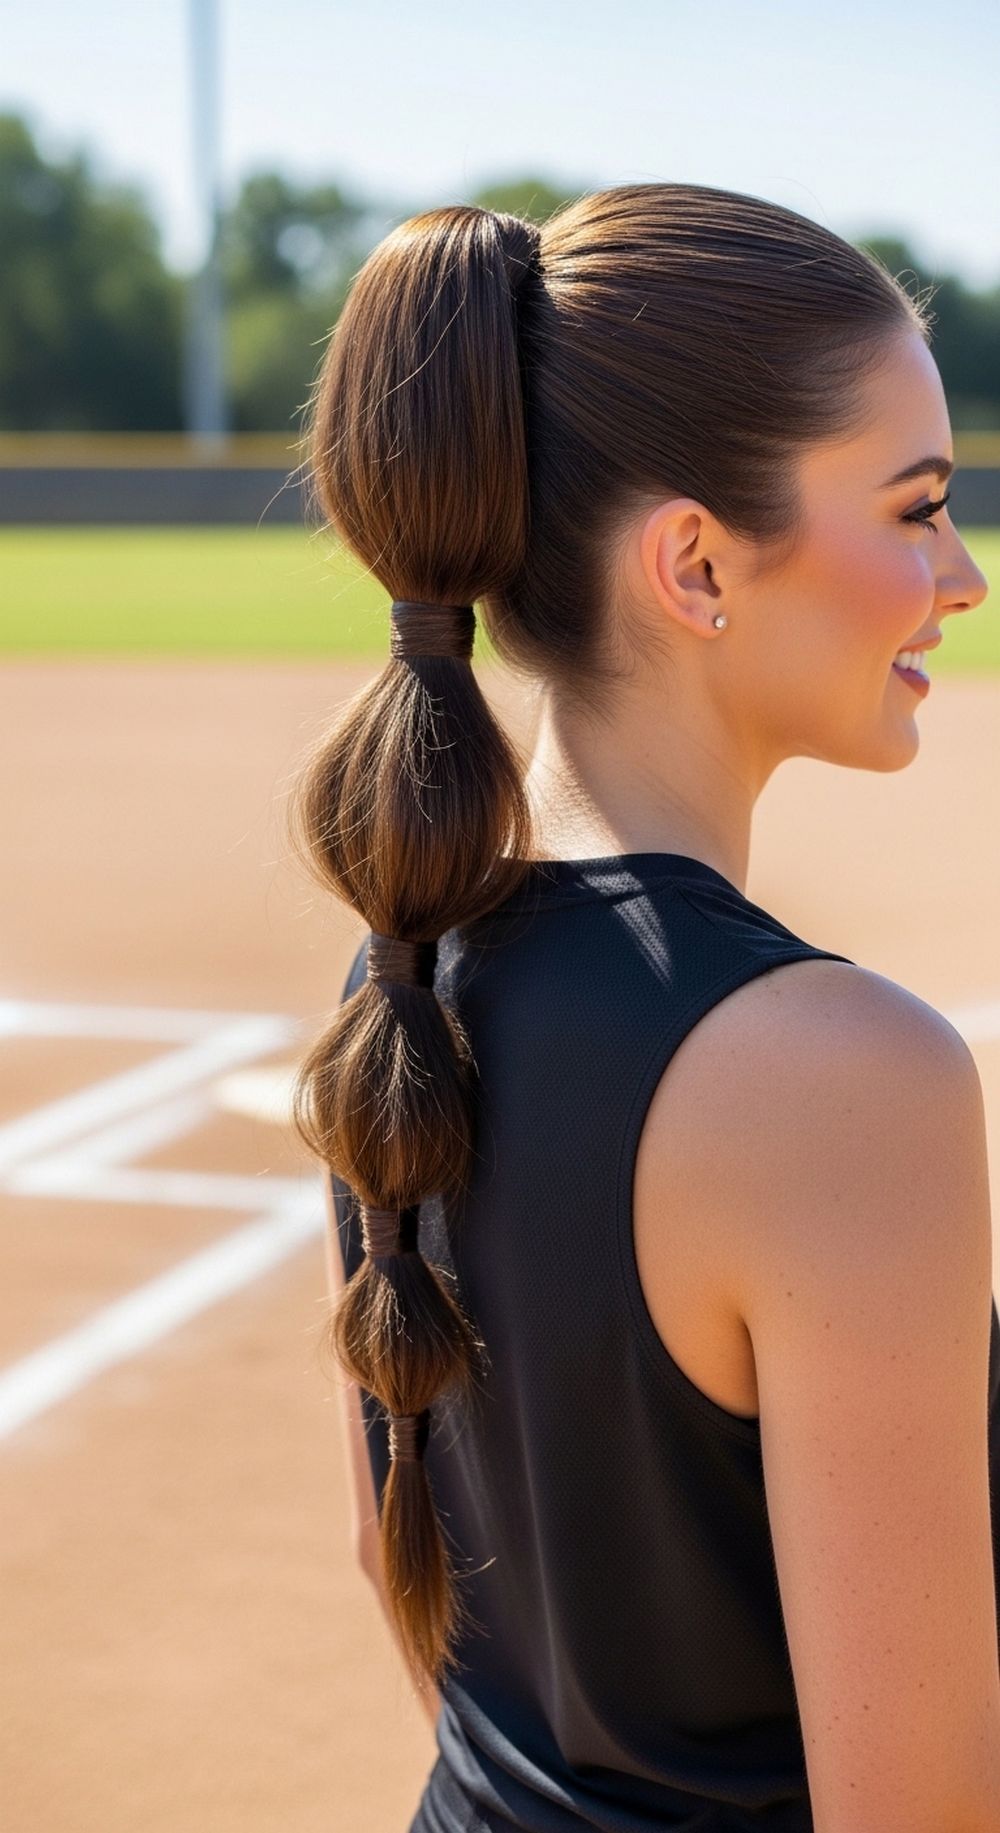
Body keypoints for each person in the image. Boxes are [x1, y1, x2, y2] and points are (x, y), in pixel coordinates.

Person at [288, 184, 997, 1831]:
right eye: (918, 504)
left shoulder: (397, 975)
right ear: (693, 561)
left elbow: (418, 1586)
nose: (958, 573)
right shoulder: (843, 1079)